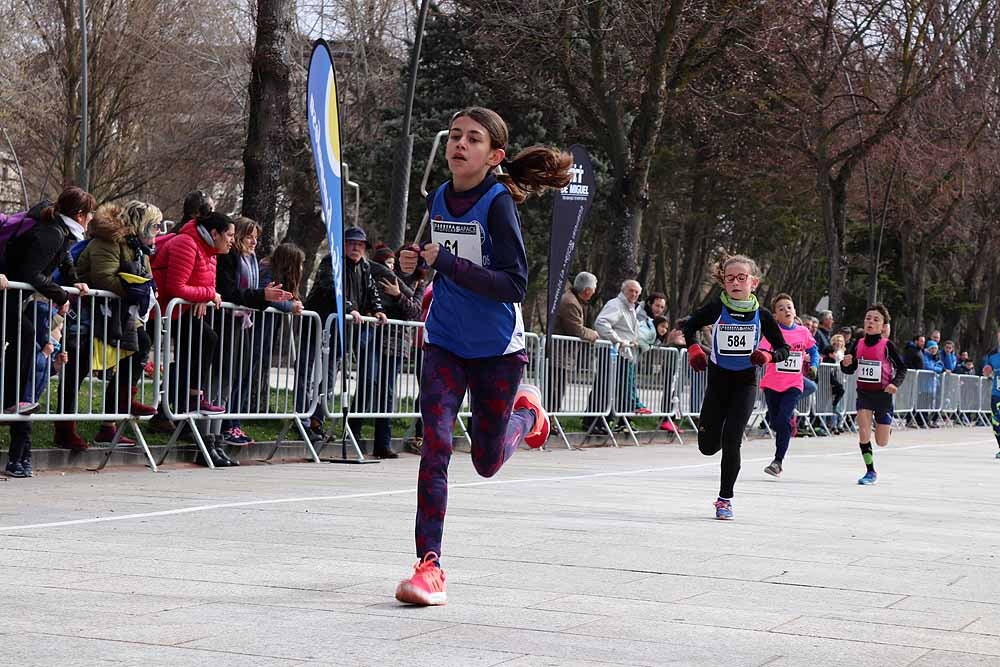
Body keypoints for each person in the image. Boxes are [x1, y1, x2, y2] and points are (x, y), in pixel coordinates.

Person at [394, 106, 567, 605]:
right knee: (436, 445)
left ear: (494, 157)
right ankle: (430, 565)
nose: (459, 144)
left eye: (472, 139)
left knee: (487, 462)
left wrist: (444, 261)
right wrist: (414, 265)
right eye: (454, 136)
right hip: (444, 340)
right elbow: (433, 260)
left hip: (496, 349)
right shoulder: (438, 196)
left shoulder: (496, 203)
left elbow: (514, 283)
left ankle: (525, 415)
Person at [681, 255, 789, 520]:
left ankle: (724, 499)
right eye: (730, 278)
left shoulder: (762, 315)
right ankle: (722, 436)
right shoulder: (717, 307)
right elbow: (690, 325)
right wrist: (694, 348)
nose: (736, 283)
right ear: (724, 282)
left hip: (745, 382)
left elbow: (783, 349)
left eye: (742, 278)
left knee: (732, 440)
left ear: (753, 282)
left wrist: (768, 357)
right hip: (718, 381)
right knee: (707, 446)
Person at [3, 188, 94, 477]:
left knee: (29, 347)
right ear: (79, 215)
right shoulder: (52, 232)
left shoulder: (61, 233)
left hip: (18, 300)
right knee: (27, 340)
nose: (91, 220)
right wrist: (61, 296)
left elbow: (63, 261)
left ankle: (14, 411)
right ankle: (10, 401)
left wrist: (74, 282)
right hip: (10, 295)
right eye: (89, 214)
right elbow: (32, 272)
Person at [57, 202, 160, 450]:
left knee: (141, 344)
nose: (158, 230)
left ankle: (118, 407)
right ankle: (64, 428)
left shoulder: (138, 247)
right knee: (78, 365)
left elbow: (146, 278)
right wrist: (133, 290)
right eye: (155, 225)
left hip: (116, 314)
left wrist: (145, 290)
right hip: (86, 312)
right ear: (141, 224)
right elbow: (103, 277)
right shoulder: (109, 240)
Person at [151, 211, 235, 467]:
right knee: (205, 339)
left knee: (206, 339)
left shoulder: (210, 251)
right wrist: (207, 294)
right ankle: (186, 399)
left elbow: (199, 285)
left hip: (182, 310)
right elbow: (177, 287)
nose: (232, 240)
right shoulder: (187, 244)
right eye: (229, 235)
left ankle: (186, 400)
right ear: (214, 233)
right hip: (164, 310)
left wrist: (203, 296)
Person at [212, 217, 292, 448]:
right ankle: (218, 430)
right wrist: (263, 296)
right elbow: (232, 292)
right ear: (237, 236)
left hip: (244, 322)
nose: (254, 242)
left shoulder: (252, 260)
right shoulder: (229, 257)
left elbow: (255, 293)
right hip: (227, 321)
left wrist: (266, 296)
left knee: (238, 374)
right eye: (249, 236)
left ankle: (227, 426)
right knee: (223, 378)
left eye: (256, 237)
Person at [358, 243, 422, 459]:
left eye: (413, 259)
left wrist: (398, 295)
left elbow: (414, 311)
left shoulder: (418, 283)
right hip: (377, 335)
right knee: (367, 384)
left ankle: (382, 443)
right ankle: (353, 436)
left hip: (397, 343)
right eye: (404, 257)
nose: (408, 262)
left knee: (387, 391)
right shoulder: (385, 273)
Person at [840, 304, 907, 485]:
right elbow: (850, 368)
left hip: (883, 396)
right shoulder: (858, 343)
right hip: (864, 395)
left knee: (882, 441)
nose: (871, 322)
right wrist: (845, 364)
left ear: (883, 326)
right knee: (863, 433)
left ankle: (886, 426)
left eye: (876, 319)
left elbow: (902, 368)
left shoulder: (887, 345)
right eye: (868, 318)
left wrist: (894, 383)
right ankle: (870, 471)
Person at [758, 294, 818, 477]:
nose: (786, 311)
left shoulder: (803, 332)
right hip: (772, 384)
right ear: (775, 315)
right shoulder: (772, 332)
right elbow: (762, 350)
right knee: (777, 422)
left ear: (795, 311)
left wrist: (814, 365)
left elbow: (814, 350)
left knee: (783, 419)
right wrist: (763, 357)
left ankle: (778, 461)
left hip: (793, 383)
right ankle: (786, 423)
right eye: (781, 308)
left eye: (789, 307)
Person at [594, 279, 649, 417]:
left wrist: (634, 341)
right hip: (612, 352)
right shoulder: (616, 305)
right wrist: (618, 340)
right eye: (631, 291)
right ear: (623, 290)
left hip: (623, 353)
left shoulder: (631, 308)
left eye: (637, 292)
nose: (634, 294)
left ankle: (616, 419)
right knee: (605, 387)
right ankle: (596, 419)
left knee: (620, 388)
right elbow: (601, 323)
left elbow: (628, 330)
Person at [548, 272, 598, 413]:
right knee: (555, 390)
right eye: (593, 289)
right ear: (587, 291)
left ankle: (552, 419)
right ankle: (550, 420)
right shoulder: (571, 303)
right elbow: (576, 330)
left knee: (557, 390)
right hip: (560, 354)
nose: (594, 292)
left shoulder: (571, 300)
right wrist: (593, 334)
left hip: (563, 355)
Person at [980, 327, 1000, 459]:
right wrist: (987, 371)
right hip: (996, 394)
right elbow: (986, 370)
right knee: (996, 423)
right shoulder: (992, 354)